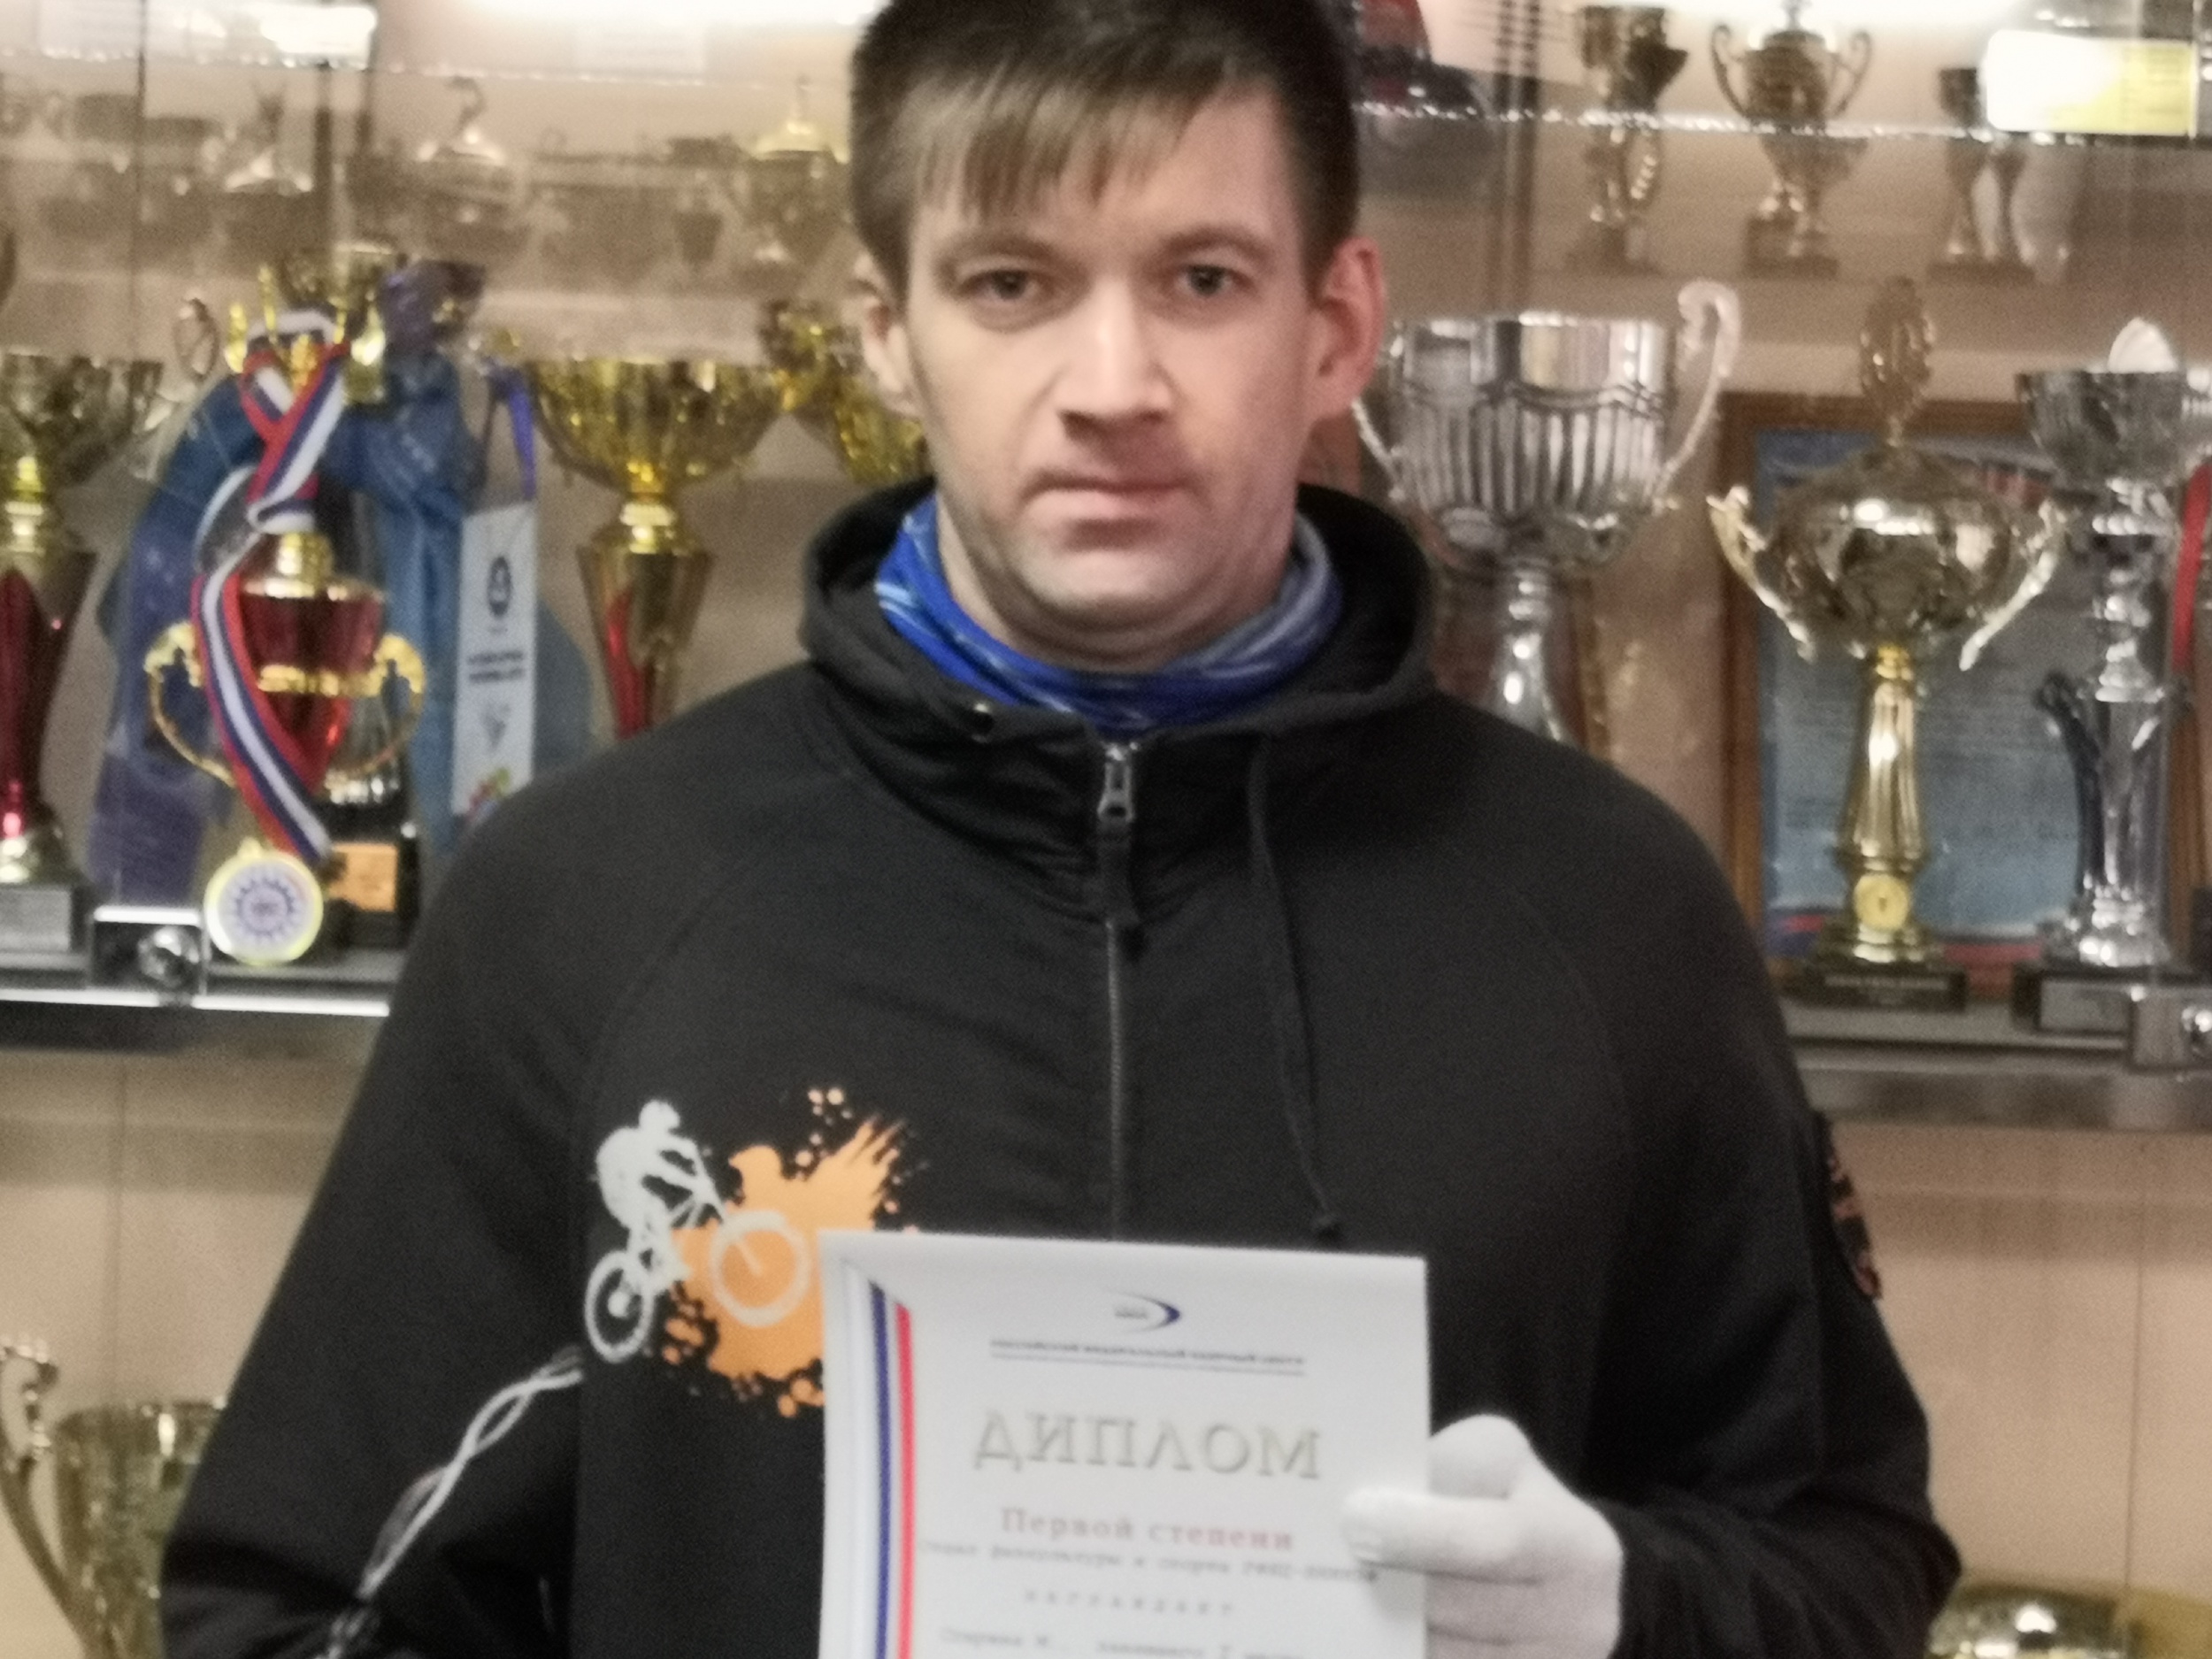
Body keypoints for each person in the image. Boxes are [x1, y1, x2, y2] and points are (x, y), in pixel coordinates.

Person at [162, 0, 1958, 1655]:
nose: (1112, 382)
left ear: (1335, 324)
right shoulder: (590, 903)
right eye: (1012, 281)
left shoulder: (1608, 913)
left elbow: (1850, 1556)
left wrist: (1632, 1612)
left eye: (1201, 277)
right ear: (889, 330)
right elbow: (296, 1607)